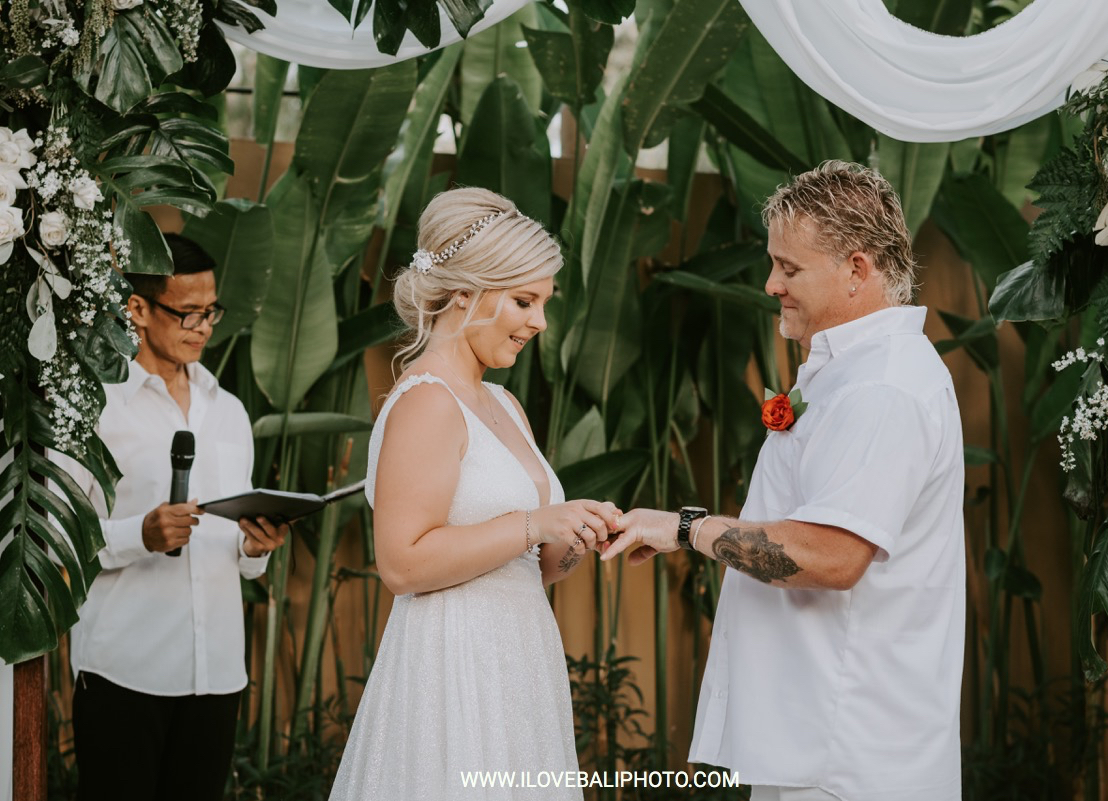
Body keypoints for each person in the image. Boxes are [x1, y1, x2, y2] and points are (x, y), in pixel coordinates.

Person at [603, 161, 966, 801]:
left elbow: (831, 556)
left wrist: (686, 528)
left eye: (789, 269)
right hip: (814, 736)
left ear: (857, 269)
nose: (771, 284)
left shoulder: (882, 389)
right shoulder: (854, 372)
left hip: (849, 755)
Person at [329, 187, 620, 800]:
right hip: (453, 664)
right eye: (524, 301)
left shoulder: (504, 404)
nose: (540, 322)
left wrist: (581, 532)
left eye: (543, 303)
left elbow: (535, 567)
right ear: (463, 293)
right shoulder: (427, 402)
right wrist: (538, 523)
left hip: (519, 660)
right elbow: (402, 564)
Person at [52, 233, 289, 801]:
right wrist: (140, 534)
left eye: (211, 311)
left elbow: (237, 552)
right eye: (187, 313)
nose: (203, 327)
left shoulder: (230, 413)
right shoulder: (96, 408)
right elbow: (59, 535)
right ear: (137, 309)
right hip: (124, 670)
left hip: (217, 673)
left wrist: (254, 547)